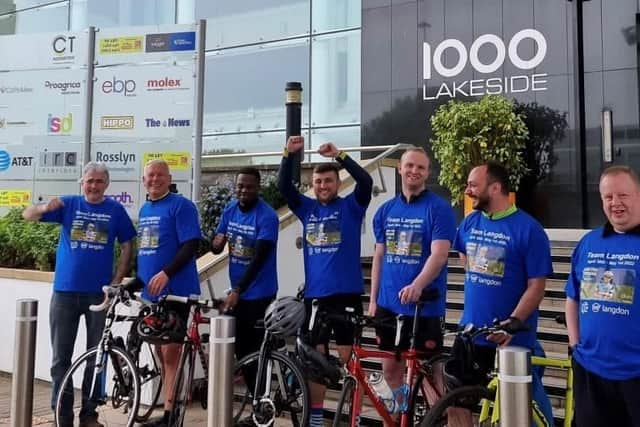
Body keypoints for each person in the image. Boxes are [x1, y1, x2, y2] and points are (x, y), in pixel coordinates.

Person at [22, 162, 136, 427]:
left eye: (99, 181)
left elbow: (128, 244)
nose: (94, 186)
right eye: (89, 181)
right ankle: (62, 417)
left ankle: (89, 416)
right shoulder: (68, 204)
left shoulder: (115, 210)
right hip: (64, 294)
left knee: (97, 357)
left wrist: (116, 281)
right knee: (61, 359)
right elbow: (27, 215)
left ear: (106, 185)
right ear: (81, 182)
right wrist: (42, 208)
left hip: (100, 296)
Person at [277, 135, 373, 427]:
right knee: (314, 365)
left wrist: (340, 155)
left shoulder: (352, 207)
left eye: (328, 181)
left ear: (337, 183)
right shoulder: (308, 209)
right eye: (318, 182)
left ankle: (354, 415)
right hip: (315, 299)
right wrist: (289, 155)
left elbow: (366, 183)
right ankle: (316, 420)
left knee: (349, 359)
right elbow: (283, 188)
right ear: (313, 185)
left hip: (346, 297)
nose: (322, 186)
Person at [453, 162, 553, 426]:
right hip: (471, 334)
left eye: (473, 185)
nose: (468, 191)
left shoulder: (529, 230)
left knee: (521, 415)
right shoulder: (470, 222)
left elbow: (537, 286)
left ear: (495, 187)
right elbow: (465, 258)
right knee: (455, 404)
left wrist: (513, 321)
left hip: (510, 339)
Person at [370, 147, 456, 419]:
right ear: (400, 168)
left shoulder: (439, 209)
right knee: (390, 371)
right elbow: (380, 256)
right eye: (409, 166)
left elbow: (440, 254)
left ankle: (438, 422)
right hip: (389, 306)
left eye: (420, 167)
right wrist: (373, 300)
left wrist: (418, 285)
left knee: (432, 376)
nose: (414, 171)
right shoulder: (384, 211)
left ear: (428, 173)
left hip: (424, 308)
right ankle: (395, 422)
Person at [565, 165, 640, 427]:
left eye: (623, 195)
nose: (615, 203)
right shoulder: (589, 243)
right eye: (608, 197)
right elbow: (572, 298)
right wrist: (575, 346)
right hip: (591, 372)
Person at [137, 159, 201, 427]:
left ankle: (171, 416)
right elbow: (147, 249)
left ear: (169, 178)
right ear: (144, 181)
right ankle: (168, 408)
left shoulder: (181, 205)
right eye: (150, 176)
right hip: (152, 294)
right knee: (161, 354)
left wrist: (166, 273)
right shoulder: (144, 209)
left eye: (160, 175)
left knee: (172, 353)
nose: (155, 179)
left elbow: (191, 245)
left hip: (176, 291)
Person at [211, 167, 279, 362]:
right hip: (238, 292)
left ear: (258, 187)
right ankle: (252, 391)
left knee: (256, 354)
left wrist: (238, 290)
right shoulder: (230, 209)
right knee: (240, 351)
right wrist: (214, 244)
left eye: (250, 187)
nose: (244, 190)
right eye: (240, 186)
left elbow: (259, 258)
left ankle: (260, 391)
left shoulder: (267, 216)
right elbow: (217, 245)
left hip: (260, 294)